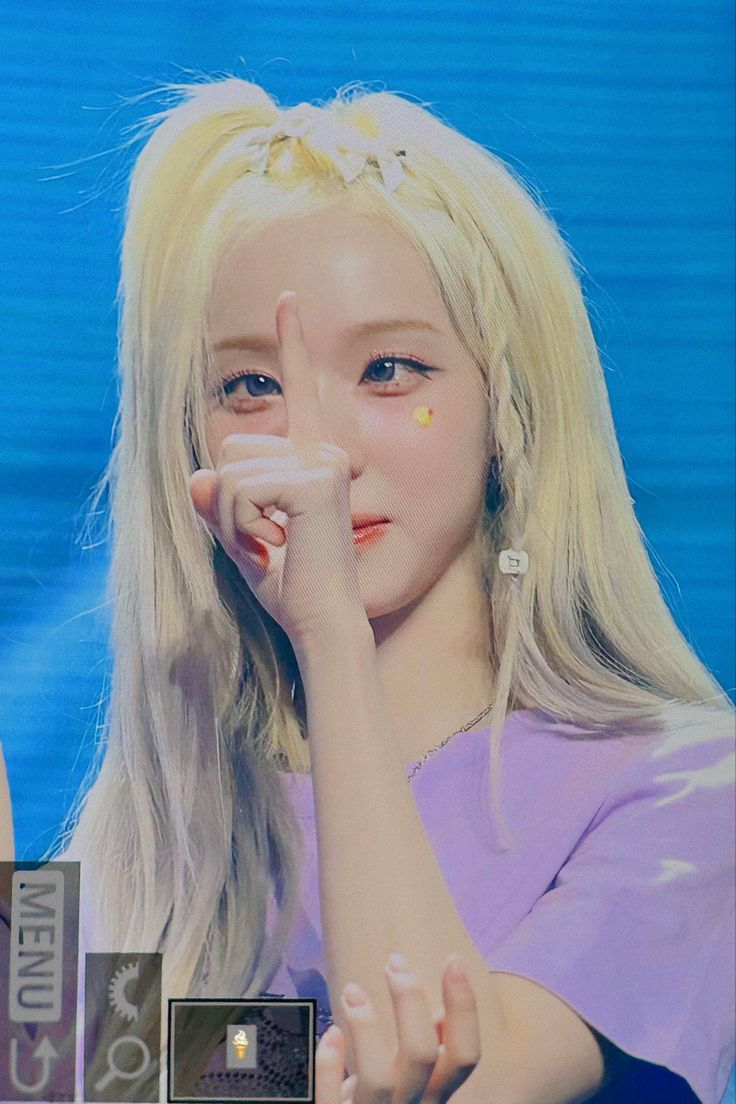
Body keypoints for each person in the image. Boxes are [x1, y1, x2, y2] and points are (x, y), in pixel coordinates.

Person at [8, 74, 730, 1102]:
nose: (320, 448)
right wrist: (19, 948)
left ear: (509, 407)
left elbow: (440, 1075)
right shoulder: (148, 829)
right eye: (251, 386)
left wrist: (330, 634)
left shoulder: (688, 786)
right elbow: (81, 1075)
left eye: (389, 371)